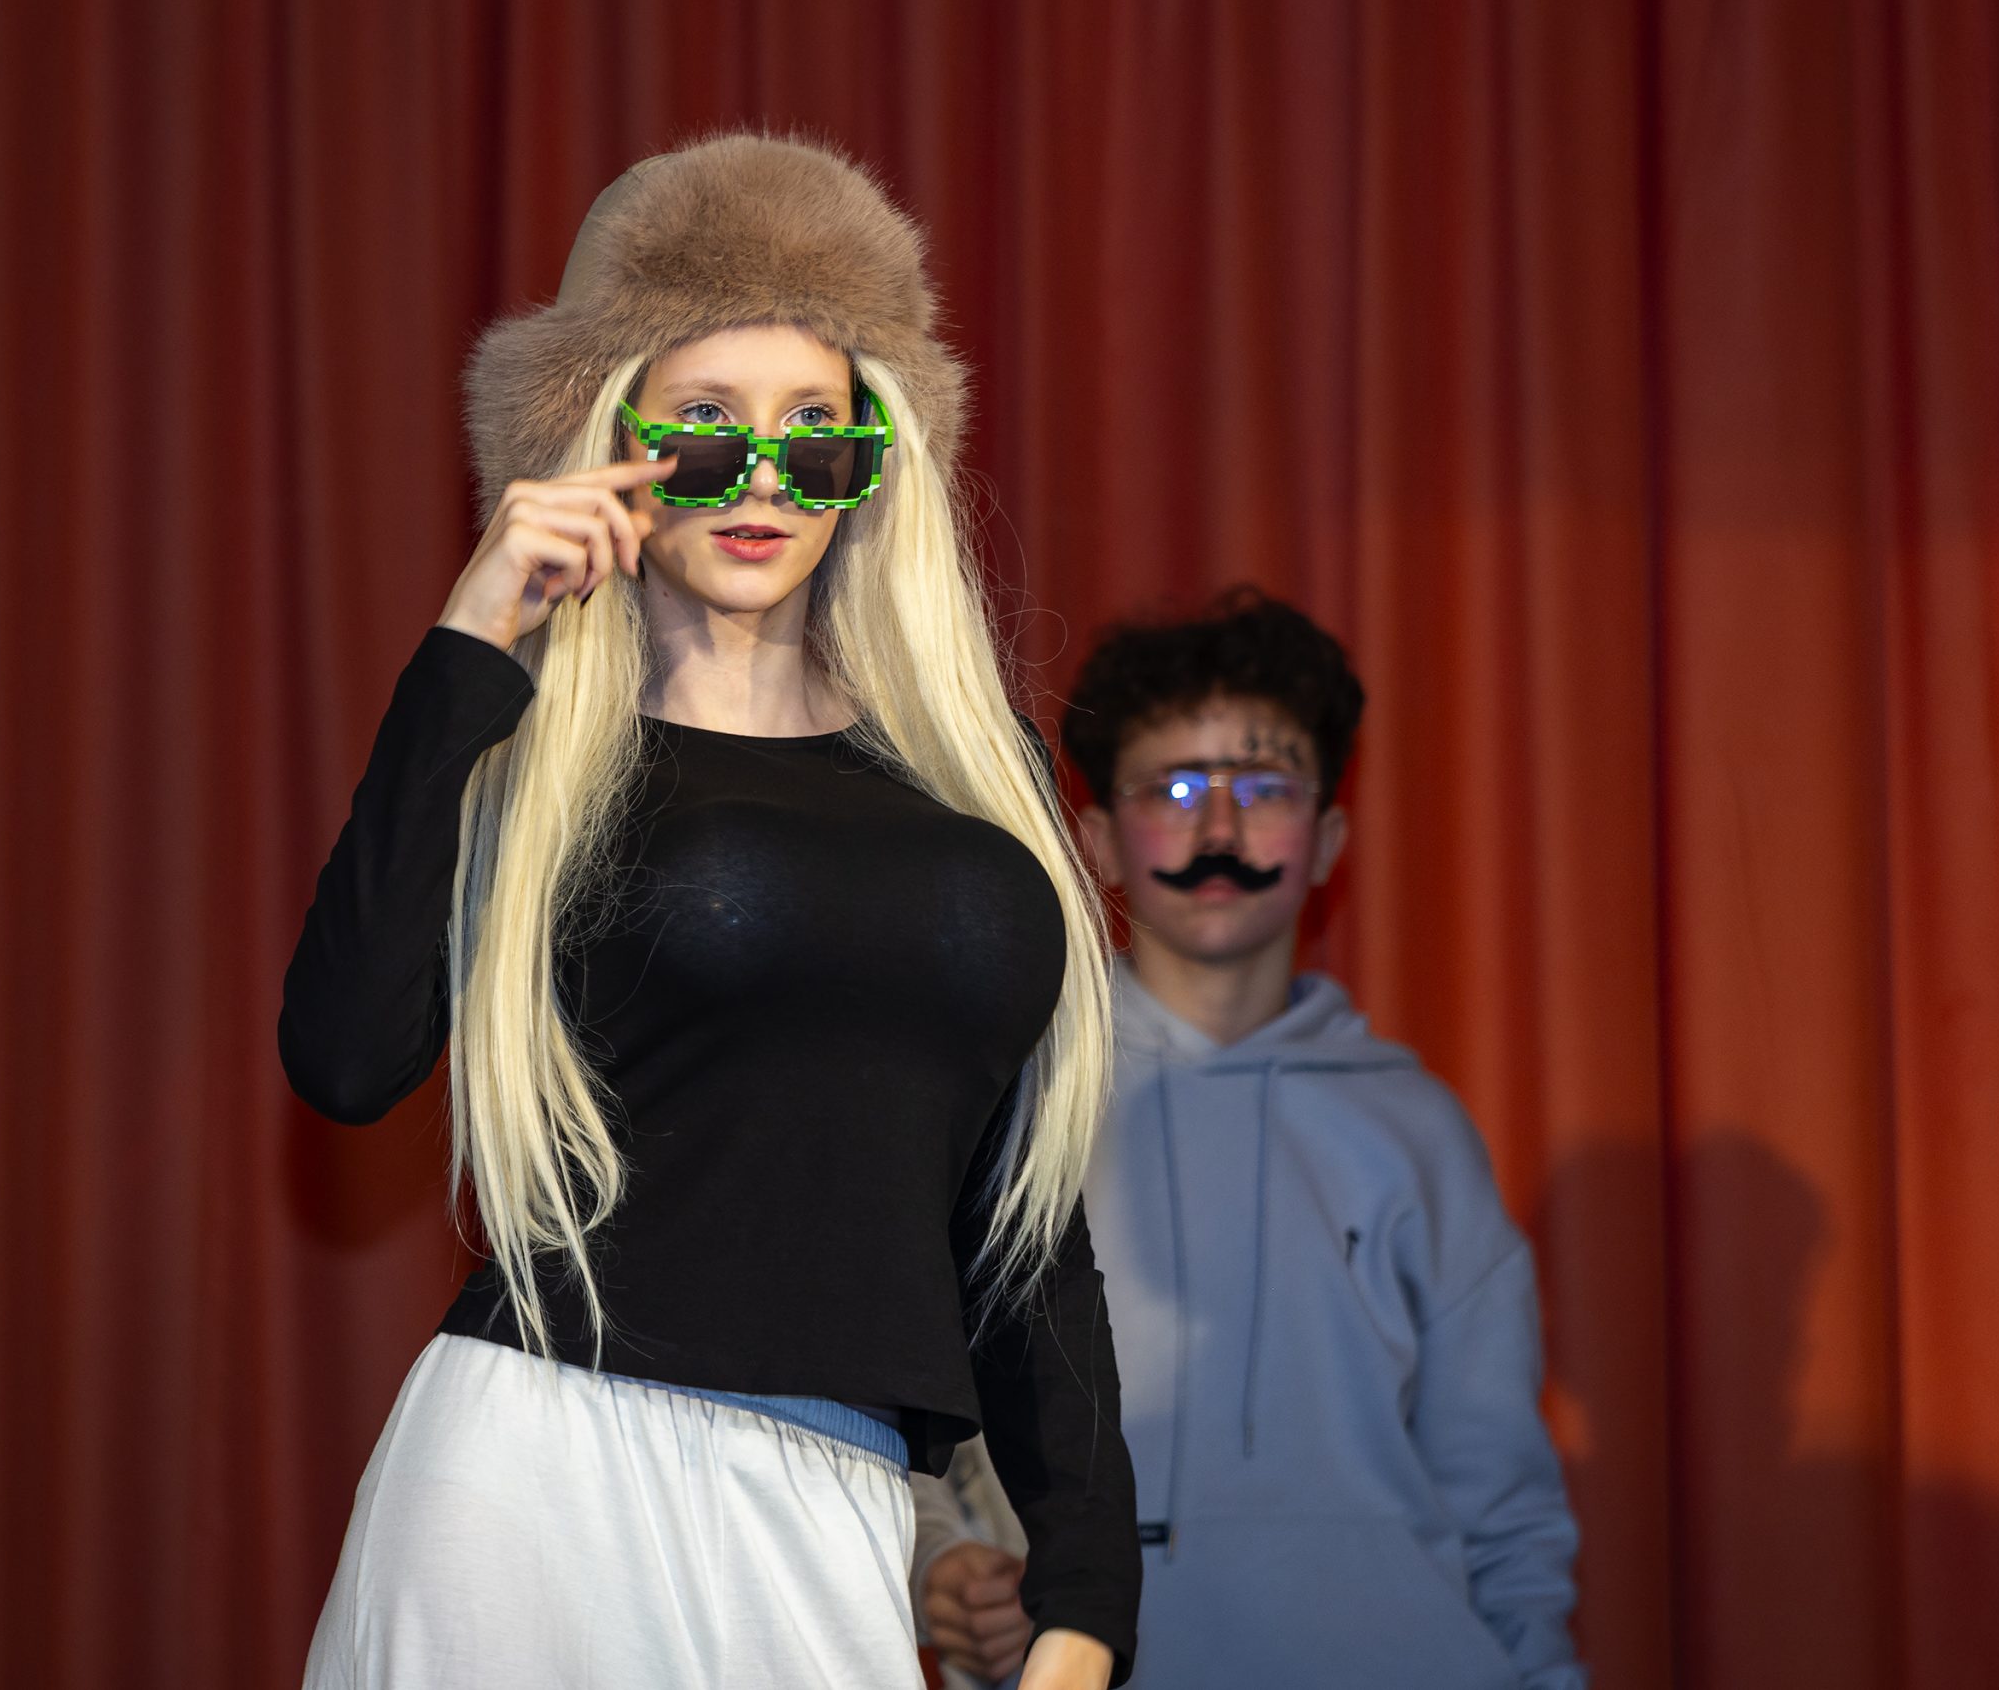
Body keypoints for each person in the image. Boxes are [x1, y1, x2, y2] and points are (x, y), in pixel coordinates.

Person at [279, 133, 1138, 1690]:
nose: (762, 481)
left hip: (839, 1494)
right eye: (704, 433)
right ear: (608, 444)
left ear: (875, 464)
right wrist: (472, 639)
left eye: (817, 435)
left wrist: (1087, 1588)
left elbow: (1023, 1218)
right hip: (540, 1467)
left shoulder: (973, 773)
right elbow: (344, 1059)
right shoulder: (538, 759)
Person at [911, 590, 1583, 1690]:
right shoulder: (1013, 1100)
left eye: (1262, 789)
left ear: (1327, 842)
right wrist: (939, 1566)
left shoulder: (1415, 1132)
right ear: (1098, 841)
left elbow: (1501, 1492)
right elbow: (900, 1391)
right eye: (1174, 789)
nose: (1218, 832)